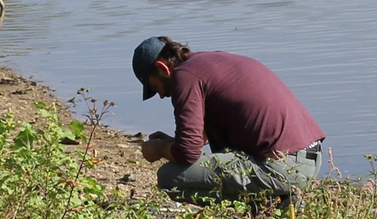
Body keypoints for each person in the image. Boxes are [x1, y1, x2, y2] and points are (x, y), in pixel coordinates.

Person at [131, 35, 328, 202]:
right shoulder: (208, 62)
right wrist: (171, 143)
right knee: (214, 133)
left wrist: (158, 149)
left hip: (284, 166)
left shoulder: (184, 76)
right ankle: (278, 197)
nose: (161, 95)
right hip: (309, 156)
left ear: (162, 68)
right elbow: (201, 137)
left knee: (168, 177)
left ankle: (269, 205)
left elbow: (187, 154)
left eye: (153, 87)